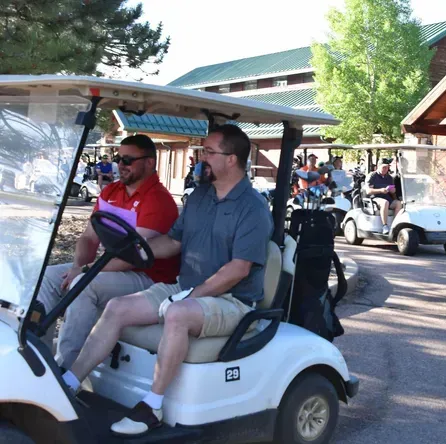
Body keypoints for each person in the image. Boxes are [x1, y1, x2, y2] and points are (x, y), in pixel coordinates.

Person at [61, 124, 274, 437]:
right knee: (118, 308)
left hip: (233, 300)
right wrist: (134, 251)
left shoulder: (252, 208)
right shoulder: (201, 197)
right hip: (186, 288)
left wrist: (191, 296)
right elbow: (173, 242)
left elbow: (238, 269)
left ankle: (153, 406)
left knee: (177, 313)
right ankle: (69, 382)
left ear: (231, 159)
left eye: (209, 152)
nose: (201, 157)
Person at [37, 135, 180, 370]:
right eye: (118, 158)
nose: (121, 164)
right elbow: (88, 237)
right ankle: (40, 361)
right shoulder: (111, 191)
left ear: (149, 163)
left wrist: (84, 272)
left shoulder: (158, 201)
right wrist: (76, 265)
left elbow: (130, 257)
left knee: (84, 284)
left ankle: (65, 370)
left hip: (148, 277)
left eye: (128, 159)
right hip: (110, 268)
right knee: (49, 278)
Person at [366, 160, 400, 235]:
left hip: (387, 197)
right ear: (378, 167)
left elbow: (393, 192)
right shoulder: (372, 176)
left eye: (387, 167)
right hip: (375, 198)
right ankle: (385, 226)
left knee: (398, 203)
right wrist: (380, 190)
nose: (385, 169)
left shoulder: (389, 178)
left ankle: (395, 226)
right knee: (385, 202)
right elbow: (368, 191)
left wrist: (393, 191)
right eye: (384, 167)